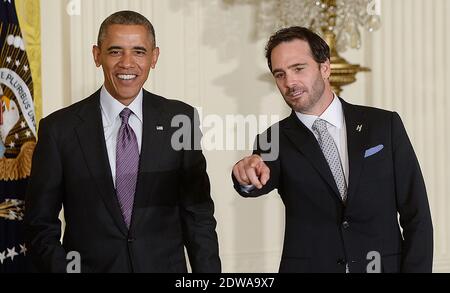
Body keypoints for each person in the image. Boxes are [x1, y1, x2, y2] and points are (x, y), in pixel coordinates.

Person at [25, 10, 221, 273]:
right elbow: (40, 224)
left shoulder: (181, 119)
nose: (127, 63)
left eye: (139, 51)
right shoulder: (58, 129)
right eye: (116, 51)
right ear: (97, 55)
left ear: (154, 57)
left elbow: (198, 216)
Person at [232, 26, 433, 273]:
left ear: (324, 67)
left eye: (298, 68)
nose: (290, 82)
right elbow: (259, 176)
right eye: (280, 74)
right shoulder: (273, 139)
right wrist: (245, 176)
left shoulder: (384, 126)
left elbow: (417, 215)